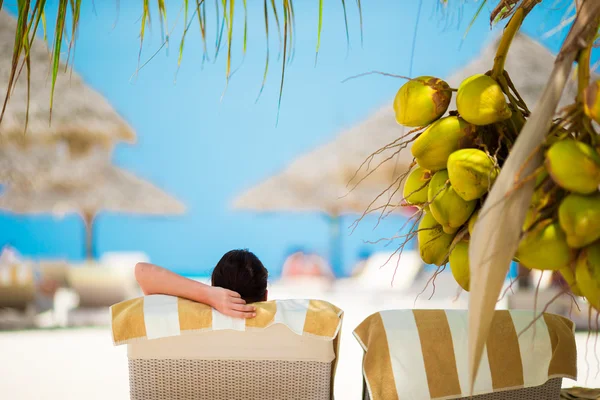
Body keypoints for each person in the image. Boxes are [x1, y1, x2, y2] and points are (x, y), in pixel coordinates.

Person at [135, 249, 268, 319]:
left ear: (214, 288)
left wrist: (208, 294)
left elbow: (142, 271)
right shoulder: (282, 326)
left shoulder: (187, 320)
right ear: (265, 296)